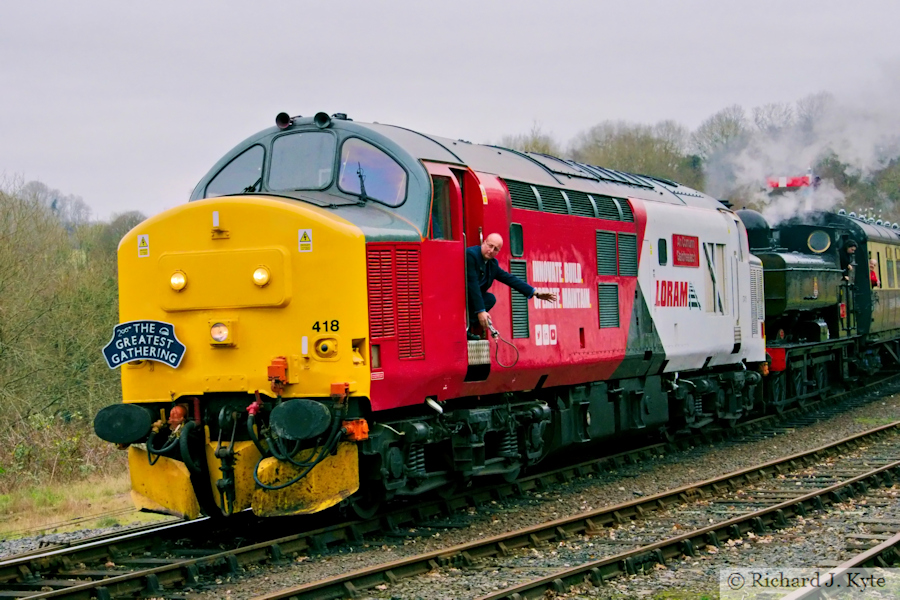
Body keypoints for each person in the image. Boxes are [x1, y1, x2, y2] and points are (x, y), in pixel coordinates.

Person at [466, 233, 557, 340]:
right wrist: (481, 311)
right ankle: (464, 329)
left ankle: (466, 328)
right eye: (490, 246)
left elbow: (510, 279)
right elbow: (473, 285)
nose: (491, 251)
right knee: (483, 300)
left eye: (496, 249)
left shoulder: (492, 264)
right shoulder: (471, 255)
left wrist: (535, 293)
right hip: (460, 296)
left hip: (470, 299)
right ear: (484, 242)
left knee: (490, 299)